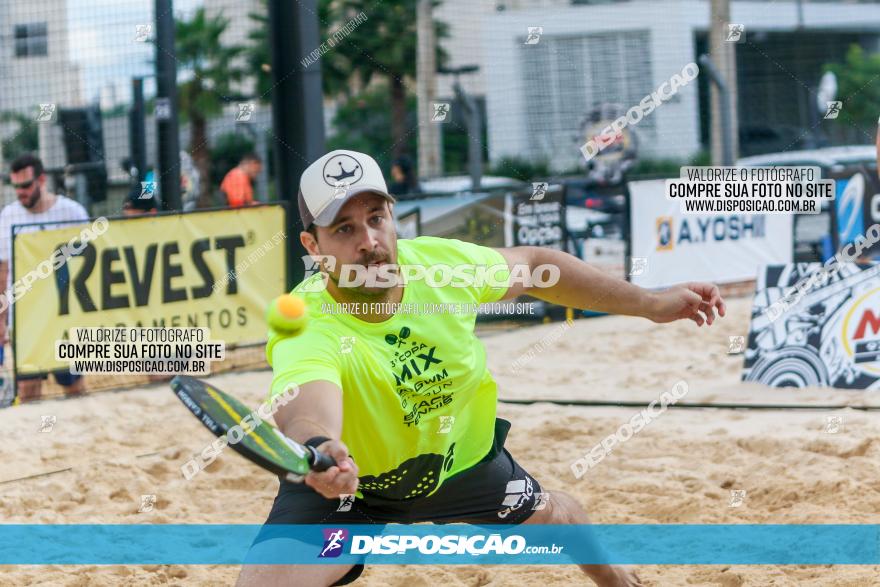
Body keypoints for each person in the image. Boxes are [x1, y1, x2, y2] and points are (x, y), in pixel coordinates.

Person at [237, 149, 726, 587]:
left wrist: (649, 304)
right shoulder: (304, 323)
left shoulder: (441, 266)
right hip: (348, 483)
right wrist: (322, 451)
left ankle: (618, 578)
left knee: (555, 519)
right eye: (344, 228)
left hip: (458, 464)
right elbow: (306, 412)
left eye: (376, 216)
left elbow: (537, 266)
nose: (369, 241)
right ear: (313, 246)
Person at [0, 154, 89, 401]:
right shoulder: (8, 215)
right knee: (28, 390)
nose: (20, 192)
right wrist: (2, 319)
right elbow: (3, 270)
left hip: (64, 316)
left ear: (41, 179)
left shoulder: (72, 212)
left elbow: (93, 262)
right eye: (16, 186)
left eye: (26, 185)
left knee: (73, 387)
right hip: (26, 318)